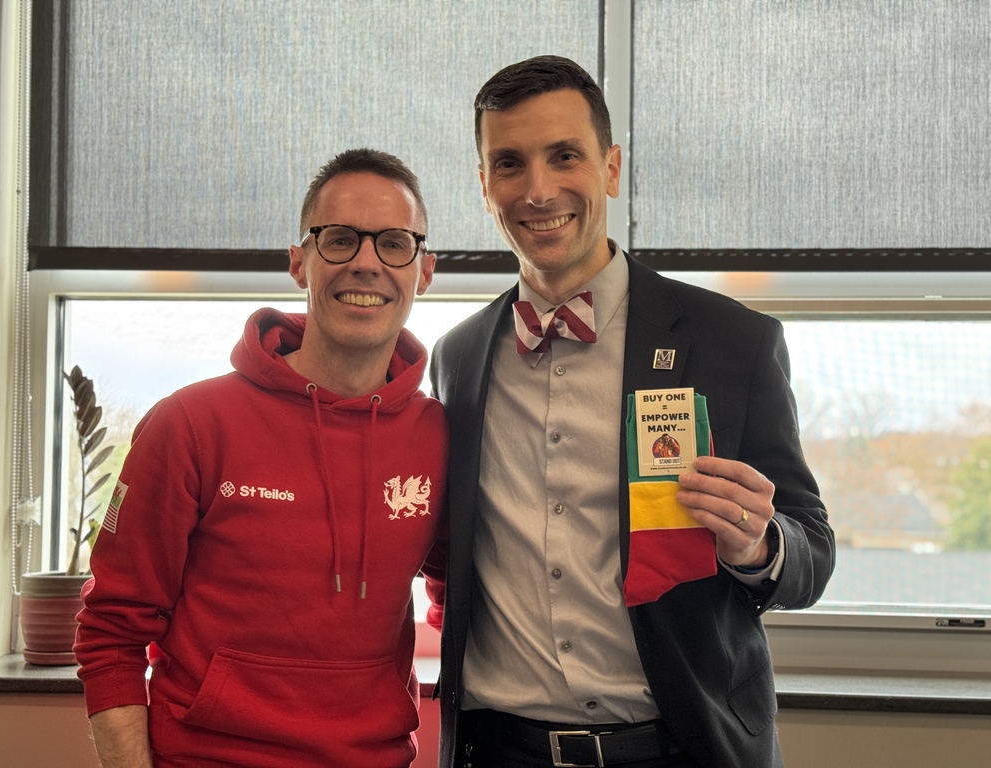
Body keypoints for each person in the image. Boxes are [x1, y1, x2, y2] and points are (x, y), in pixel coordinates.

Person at [430, 55, 835, 767]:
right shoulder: (457, 359)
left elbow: (812, 552)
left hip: (681, 748)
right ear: (484, 185)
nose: (539, 189)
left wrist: (759, 546)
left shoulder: (732, 342)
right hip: (496, 750)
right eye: (509, 164)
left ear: (611, 168)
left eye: (565, 157)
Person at [75, 148, 448, 768]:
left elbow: (457, 595)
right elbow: (111, 633)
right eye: (339, 240)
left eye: (393, 243)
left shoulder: (438, 437)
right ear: (300, 263)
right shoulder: (190, 424)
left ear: (424, 271)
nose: (364, 263)